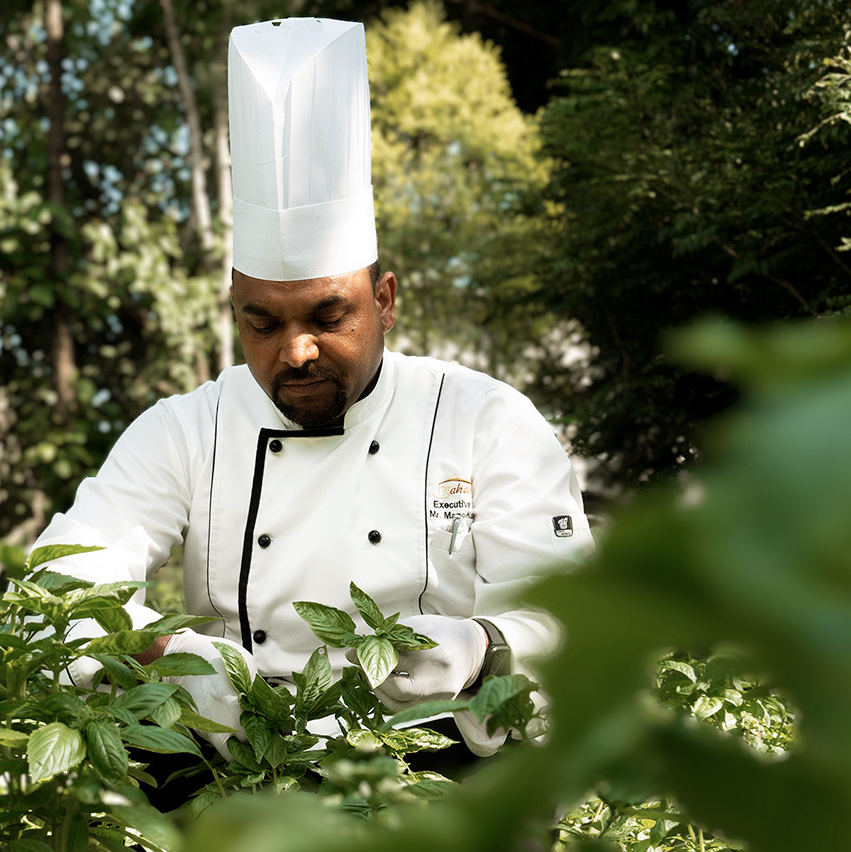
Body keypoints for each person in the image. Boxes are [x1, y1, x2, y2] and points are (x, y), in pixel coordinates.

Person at [32, 17, 594, 764]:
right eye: (261, 322)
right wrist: (164, 653)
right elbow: (54, 592)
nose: (295, 351)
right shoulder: (185, 431)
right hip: (233, 766)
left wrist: (482, 646)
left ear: (385, 300)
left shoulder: (483, 419)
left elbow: (575, 614)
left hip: (443, 768)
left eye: (329, 316)